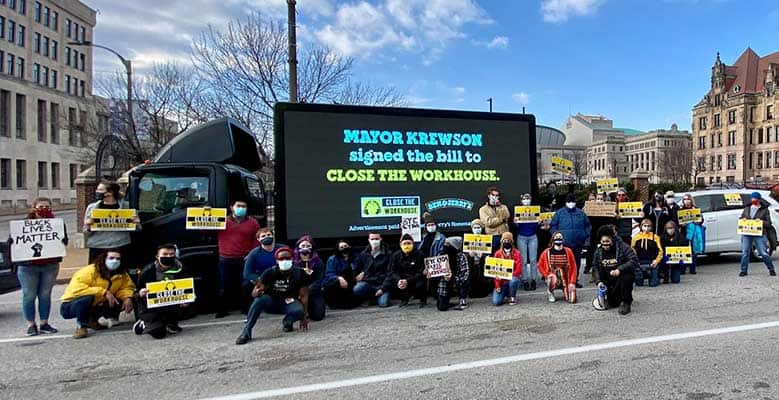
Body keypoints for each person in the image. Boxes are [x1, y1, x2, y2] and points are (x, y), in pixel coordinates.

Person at [11, 198, 67, 336]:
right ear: (34, 207)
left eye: (47, 207)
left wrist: (62, 240)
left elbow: (64, 241)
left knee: (45, 295)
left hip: (50, 265)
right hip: (27, 266)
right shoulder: (23, 225)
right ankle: (31, 324)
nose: (44, 209)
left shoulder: (57, 224)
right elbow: (13, 243)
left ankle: (44, 323)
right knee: (29, 295)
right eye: (41, 206)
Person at [235, 247, 311, 345]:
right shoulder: (269, 273)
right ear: (276, 261)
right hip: (271, 302)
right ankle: (246, 333)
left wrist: (304, 316)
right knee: (259, 300)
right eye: (281, 259)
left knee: (299, 310)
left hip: (288, 302)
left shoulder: (300, 273)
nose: (285, 261)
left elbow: (304, 295)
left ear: (292, 259)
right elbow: (254, 293)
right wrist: (257, 292)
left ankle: (287, 322)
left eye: (287, 258)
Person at [60, 249, 135, 339]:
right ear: (104, 259)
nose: (115, 261)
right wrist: (103, 292)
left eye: (117, 259)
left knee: (127, 298)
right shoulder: (89, 271)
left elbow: (126, 287)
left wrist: (127, 297)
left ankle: (93, 320)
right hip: (71, 305)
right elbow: (76, 290)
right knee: (87, 298)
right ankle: (82, 326)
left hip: (97, 303)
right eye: (111, 258)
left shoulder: (121, 273)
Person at [132, 244, 191, 339]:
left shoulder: (181, 269)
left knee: (189, 311)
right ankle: (143, 323)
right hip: (150, 307)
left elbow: (189, 289)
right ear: (157, 256)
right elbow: (135, 294)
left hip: (171, 303)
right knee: (159, 334)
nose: (168, 256)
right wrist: (140, 293)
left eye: (171, 254)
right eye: (165, 254)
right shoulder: (148, 271)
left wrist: (188, 300)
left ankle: (170, 322)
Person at [215, 199, 260, 318]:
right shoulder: (222, 221)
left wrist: (251, 254)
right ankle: (222, 309)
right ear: (232, 207)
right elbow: (203, 229)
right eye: (239, 206)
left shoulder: (253, 223)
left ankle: (246, 308)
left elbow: (256, 240)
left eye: (244, 206)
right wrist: (206, 214)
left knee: (246, 284)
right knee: (225, 286)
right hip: (226, 258)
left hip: (245, 258)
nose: (241, 208)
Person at [83, 181, 138, 263]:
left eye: (100, 190)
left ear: (110, 192)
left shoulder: (127, 207)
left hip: (120, 245)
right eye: (97, 190)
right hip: (98, 246)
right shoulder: (92, 208)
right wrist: (88, 225)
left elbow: (137, 229)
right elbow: (85, 231)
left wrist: (136, 223)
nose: (97, 192)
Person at [592, 225, 638, 315]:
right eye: (603, 242)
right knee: (613, 304)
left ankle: (626, 302)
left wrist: (619, 270)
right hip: (608, 280)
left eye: (607, 241)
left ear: (612, 239)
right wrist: (598, 281)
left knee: (627, 276)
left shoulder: (623, 247)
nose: (605, 244)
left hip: (620, 277)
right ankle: (613, 298)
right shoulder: (598, 251)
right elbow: (595, 267)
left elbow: (634, 260)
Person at [550, 193, 591, 288]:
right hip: (564, 243)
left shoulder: (581, 213)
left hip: (578, 242)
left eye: (572, 201)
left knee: (576, 262)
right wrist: (556, 237)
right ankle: (565, 280)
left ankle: (574, 280)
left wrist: (584, 235)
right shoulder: (559, 213)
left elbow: (588, 225)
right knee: (564, 262)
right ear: (565, 202)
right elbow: (553, 226)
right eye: (569, 201)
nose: (571, 203)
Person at [242, 228, 284, 313]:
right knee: (246, 285)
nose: (266, 237)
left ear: (273, 236)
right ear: (258, 239)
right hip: (262, 278)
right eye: (263, 236)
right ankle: (249, 310)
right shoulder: (254, 253)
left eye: (269, 235)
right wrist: (260, 280)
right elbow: (247, 273)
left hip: (281, 276)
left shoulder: (283, 249)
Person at [383, 234, 426, 307]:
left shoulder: (420, 254)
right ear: (400, 244)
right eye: (404, 243)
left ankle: (422, 300)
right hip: (401, 279)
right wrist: (399, 280)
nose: (407, 245)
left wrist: (408, 280)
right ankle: (404, 300)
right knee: (394, 282)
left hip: (415, 278)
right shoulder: (395, 255)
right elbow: (392, 271)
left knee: (421, 283)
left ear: (413, 243)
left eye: (409, 243)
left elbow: (421, 272)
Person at [739, 192, 776, 277]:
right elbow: (741, 218)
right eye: (752, 198)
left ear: (759, 199)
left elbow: (769, 223)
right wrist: (743, 219)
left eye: (755, 198)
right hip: (747, 233)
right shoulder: (747, 208)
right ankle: (743, 270)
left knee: (763, 252)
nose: (753, 200)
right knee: (745, 252)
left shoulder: (764, 210)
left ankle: (771, 268)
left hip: (759, 233)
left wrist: (761, 222)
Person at [537, 231, 578, 303]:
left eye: (560, 237)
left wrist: (572, 282)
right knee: (551, 278)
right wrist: (546, 275)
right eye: (556, 237)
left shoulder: (568, 251)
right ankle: (550, 292)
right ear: (553, 239)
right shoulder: (547, 252)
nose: (558, 238)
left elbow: (574, 267)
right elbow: (540, 265)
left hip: (566, 276)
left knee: (572, 300)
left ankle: (566, 289)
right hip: (553, 276)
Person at [353, 232, 392, 307]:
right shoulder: (363, 254)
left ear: (381, 239)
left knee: (383, 304)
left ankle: (377, 297)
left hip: (382, 284)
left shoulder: (388, 254)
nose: (374, 241)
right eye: (372, 239)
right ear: (369, 240)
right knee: (357, 289)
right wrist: (359, 274)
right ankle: (368, 297)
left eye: (377, 239)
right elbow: (356, 268)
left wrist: (383, 288)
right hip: (368, 282)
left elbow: (390, 273)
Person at [431, 237, 470, 311]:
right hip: (444, 280)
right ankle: (446, 300)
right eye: (445, 243)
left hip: (457, 280)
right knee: (441, 307)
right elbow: (436, 271)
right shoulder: (441, 255)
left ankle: (462, 299)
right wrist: (443, 276)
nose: (445, 246)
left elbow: (465, 274)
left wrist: (453, 278)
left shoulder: (461, 256)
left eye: (447, 244)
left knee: (465, 281)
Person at [294, 235, 326, 321]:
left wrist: (308, 290)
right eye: (303, 246)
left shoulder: (318, 262)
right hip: (297, 292)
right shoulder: (293, 262)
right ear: (298, 247)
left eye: (308, 246)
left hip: (314, 292)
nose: (305, 248)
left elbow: (319, 280)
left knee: (318, 316)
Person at [513, 193, 540, 291]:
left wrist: (539, 222)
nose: (526, 200)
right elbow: (516, 226)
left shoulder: (535, 210)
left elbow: (537, 225)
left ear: (531, 200)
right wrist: (515, 223)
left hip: (533, 236)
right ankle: (524, 280)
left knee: (533, 260)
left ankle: (533, 280)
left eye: (528, 198)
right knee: (523, 260)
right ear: (522, 200)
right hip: (521, 237)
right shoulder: (518, 211)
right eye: (525, 198)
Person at [323, 239, 358, 309]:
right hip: (336, 282)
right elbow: (329, 274)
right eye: (341, 247)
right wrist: (339, 278)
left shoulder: (356, 257)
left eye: (345, 246)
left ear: (349, 246)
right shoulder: (332, 259)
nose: (344, 248)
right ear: (338, 249)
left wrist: (362, 273)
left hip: (351, 281)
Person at [491, 232, 522, 306]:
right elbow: (495, 271)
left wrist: (508, 275)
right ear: (501, 242)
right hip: (501, 282)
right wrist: (497, 285)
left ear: (511, 242)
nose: (506, 242)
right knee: (496, 302)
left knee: (513, 281)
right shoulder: (497, 254)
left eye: (508, 241)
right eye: (504, 241)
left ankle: (512, 296)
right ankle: (505, 293)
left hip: (512, 279)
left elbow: (519, 269)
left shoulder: (517, 253)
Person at [631, 219, 663, 287]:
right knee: (639, 284)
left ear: (651, 227)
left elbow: (660, 251)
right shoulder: (635, 237)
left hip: (652, 262)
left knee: (653, 284)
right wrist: (635, 261)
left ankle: (655, 277)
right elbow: (632, 250)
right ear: (641, 226)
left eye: (649, 226)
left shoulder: (656, 237)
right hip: (639, 261)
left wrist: (656, 261)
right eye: (644, 226)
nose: (646, 228)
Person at [466, 219, 493, 298]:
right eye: (475, 228)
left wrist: (483, 256)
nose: (477, 229)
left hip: (482, 264)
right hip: (472, 263)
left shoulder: (487, 239)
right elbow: (463, 254)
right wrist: (469, 255)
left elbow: (490, 254)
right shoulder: (468, 239)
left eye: (478, 227)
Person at [479, 187, 511, 251]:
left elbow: (507, 216)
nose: (495, 197)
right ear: (489, 196)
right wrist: (501, 220)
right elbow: (489, 223)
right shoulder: (483, 209)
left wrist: (499, 207)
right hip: (492, 236)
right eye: (493, 195)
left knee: (505, 256)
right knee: (494, 257)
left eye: (496, 195)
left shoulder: (503, 207)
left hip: (504, 235)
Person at [679, 193, 704, 274]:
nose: (687, 201)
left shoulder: (696, 209)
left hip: (695, 232)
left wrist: (698, 221)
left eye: (688, 199)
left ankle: (692, 268)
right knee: (684, 250)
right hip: (684, 232)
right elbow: (678, 221)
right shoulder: (681, 210)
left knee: (693, 251)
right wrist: (681, 224)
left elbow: (701, 220)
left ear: (691, 200)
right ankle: (682, 269)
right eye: (685, 199)